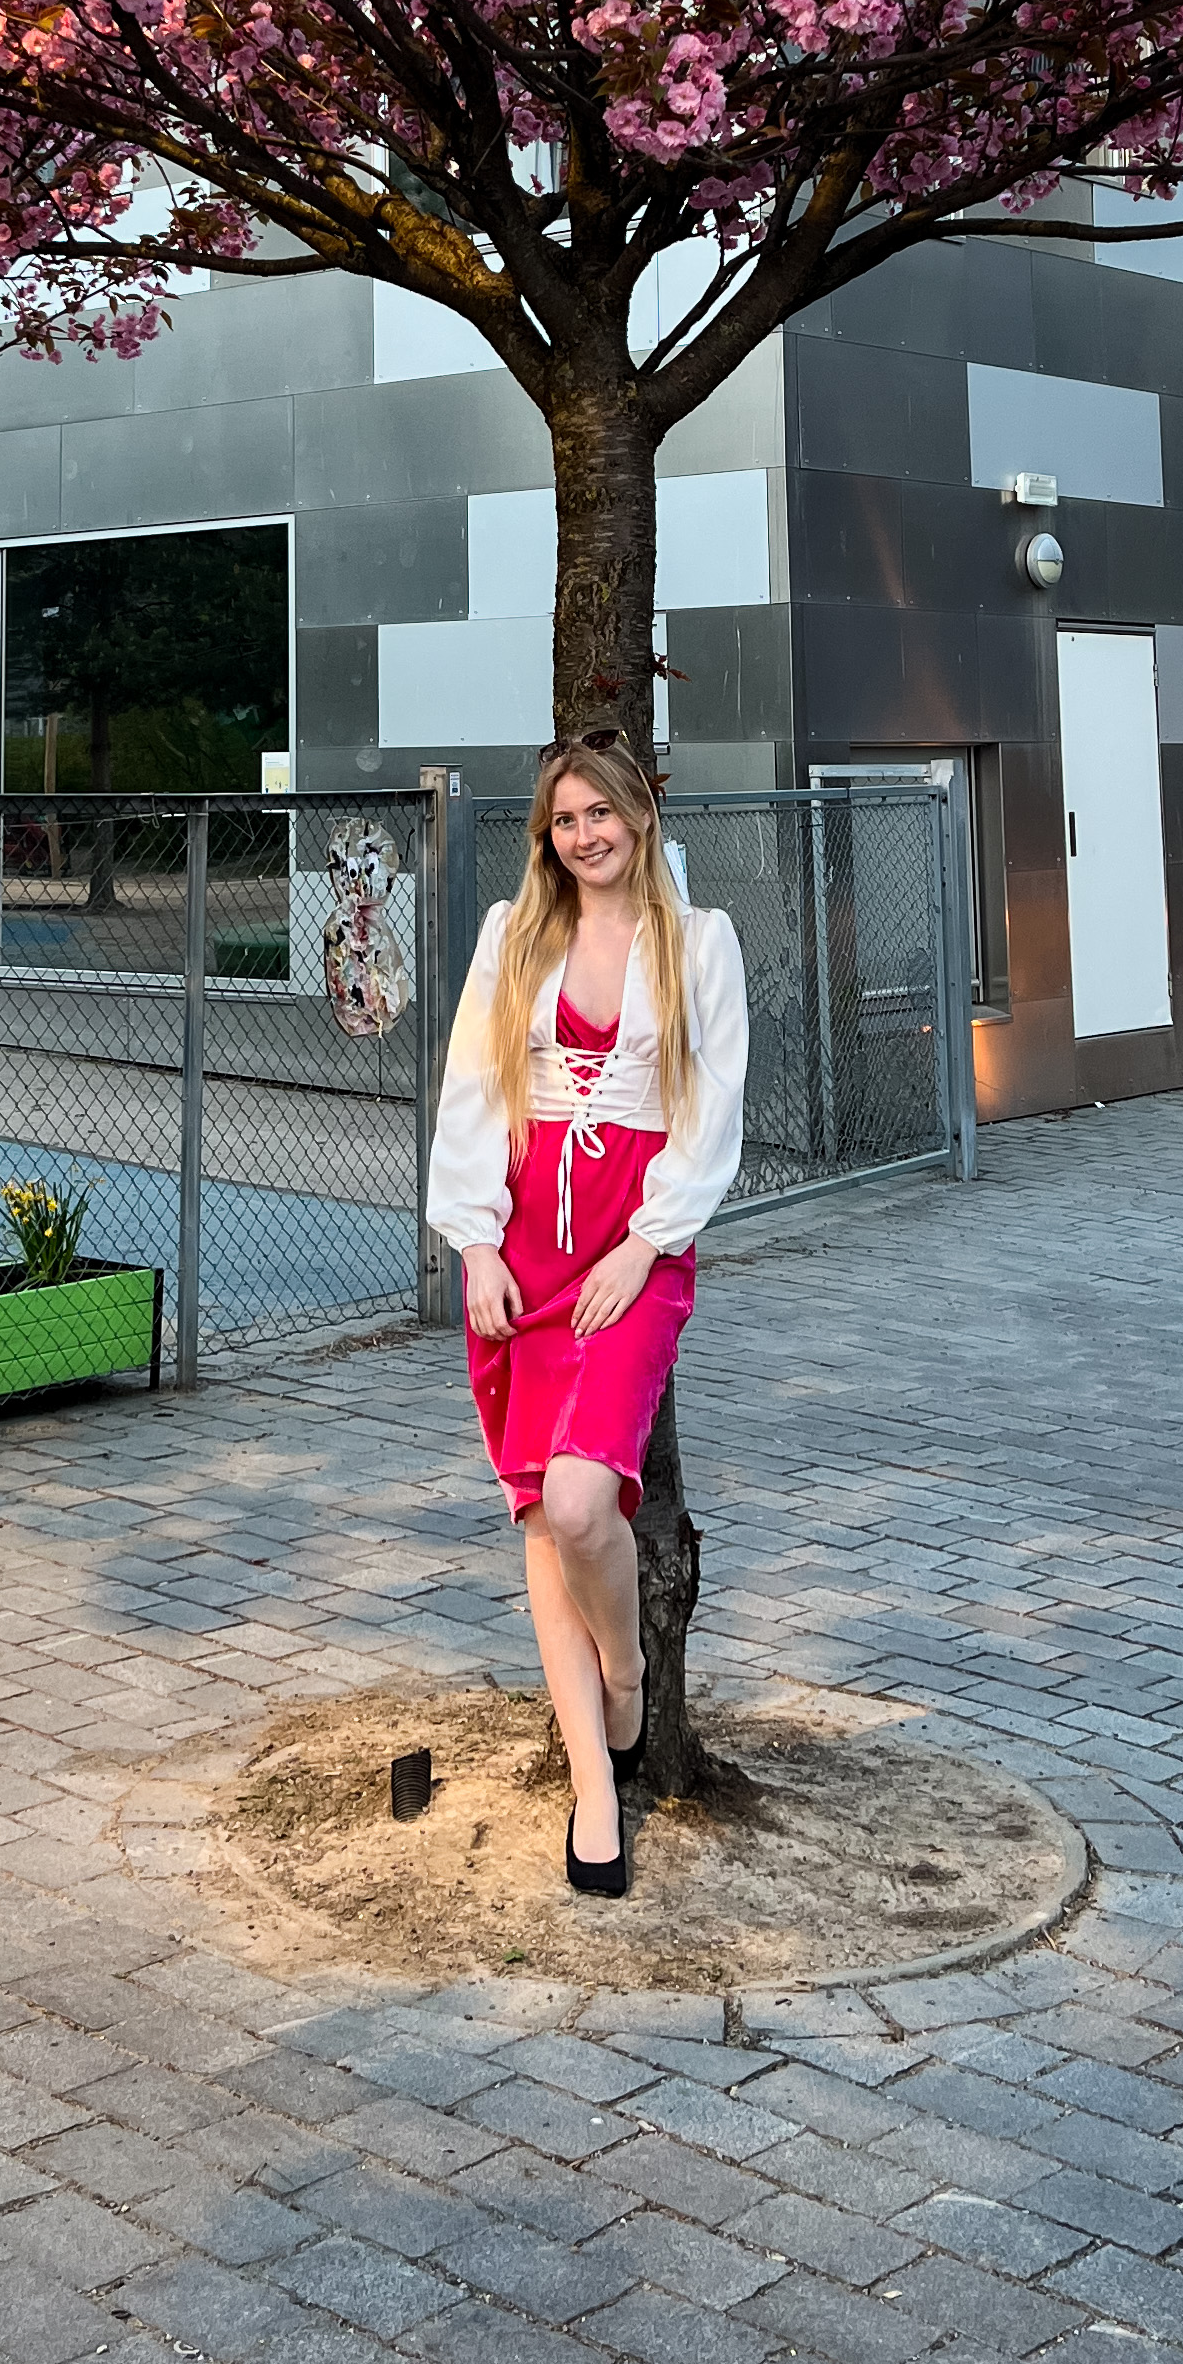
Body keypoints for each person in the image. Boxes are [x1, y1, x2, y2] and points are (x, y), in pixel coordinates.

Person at [426, 735, 747, 1895]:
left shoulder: (698, 942)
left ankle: (624, 1677)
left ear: (639, 817)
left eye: (599, 814)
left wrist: (648, 1243)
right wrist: (473, 1242)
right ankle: (594, 1789)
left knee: (580, 1502)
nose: (583, 836)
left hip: (632, 1250)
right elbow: (473, 1089)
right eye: (564, 821)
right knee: (540, 1521)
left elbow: (713, 1109)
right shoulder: (512, 938)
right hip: (525, 1251)